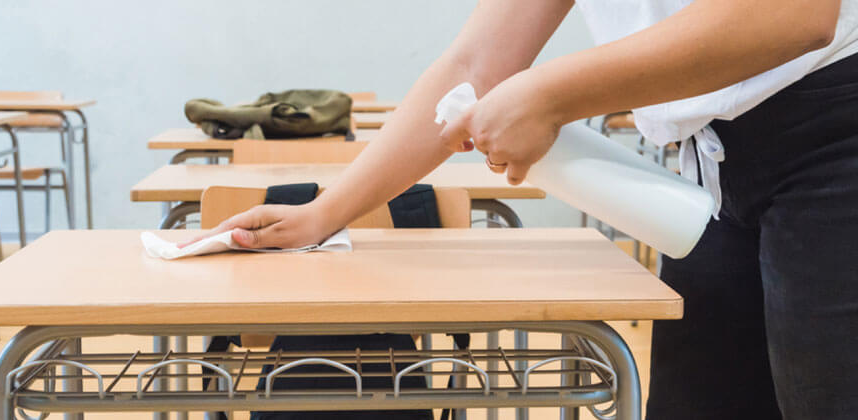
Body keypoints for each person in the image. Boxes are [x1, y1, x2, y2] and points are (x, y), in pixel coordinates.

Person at [184, 1, 858, 418]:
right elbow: (476, 62)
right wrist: (326, 212)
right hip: (718, 174)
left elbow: (790, 11)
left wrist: (553, 94)